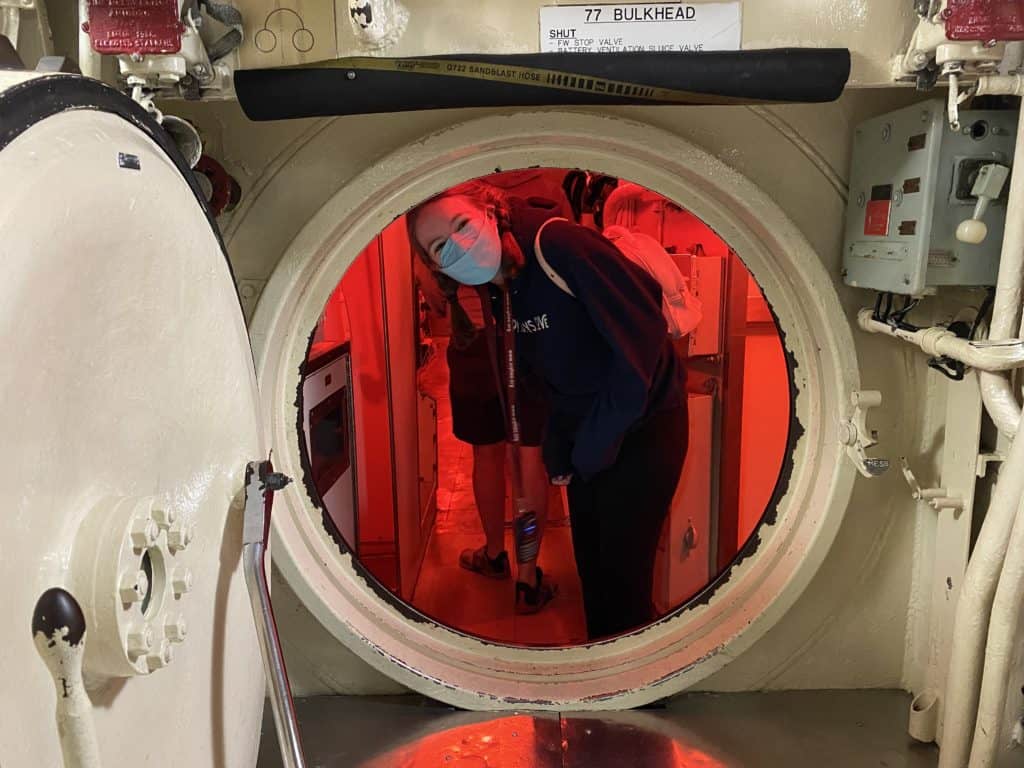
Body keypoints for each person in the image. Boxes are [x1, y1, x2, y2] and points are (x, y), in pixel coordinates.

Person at [408, 180, 688, 640]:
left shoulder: (560, 246)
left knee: (624, 589)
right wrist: (561, 452)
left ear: (489, 213)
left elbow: (641, 357)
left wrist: (590, 451)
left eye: (461, 224)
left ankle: (638, 700)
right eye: (440, 245)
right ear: (436, 266)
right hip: (589, 441)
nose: (459, 244)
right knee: (596, 580)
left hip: (642, 431)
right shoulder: (504, 286)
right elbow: (543, 378)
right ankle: (605, 688)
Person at [413, 252, 557, 615]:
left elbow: (435, 301)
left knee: (488, 453)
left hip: (474, 341)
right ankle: (527, 578)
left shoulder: (438, 214)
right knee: (529, 458)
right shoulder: (536, 199)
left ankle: (495, 554)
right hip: (528, 339)